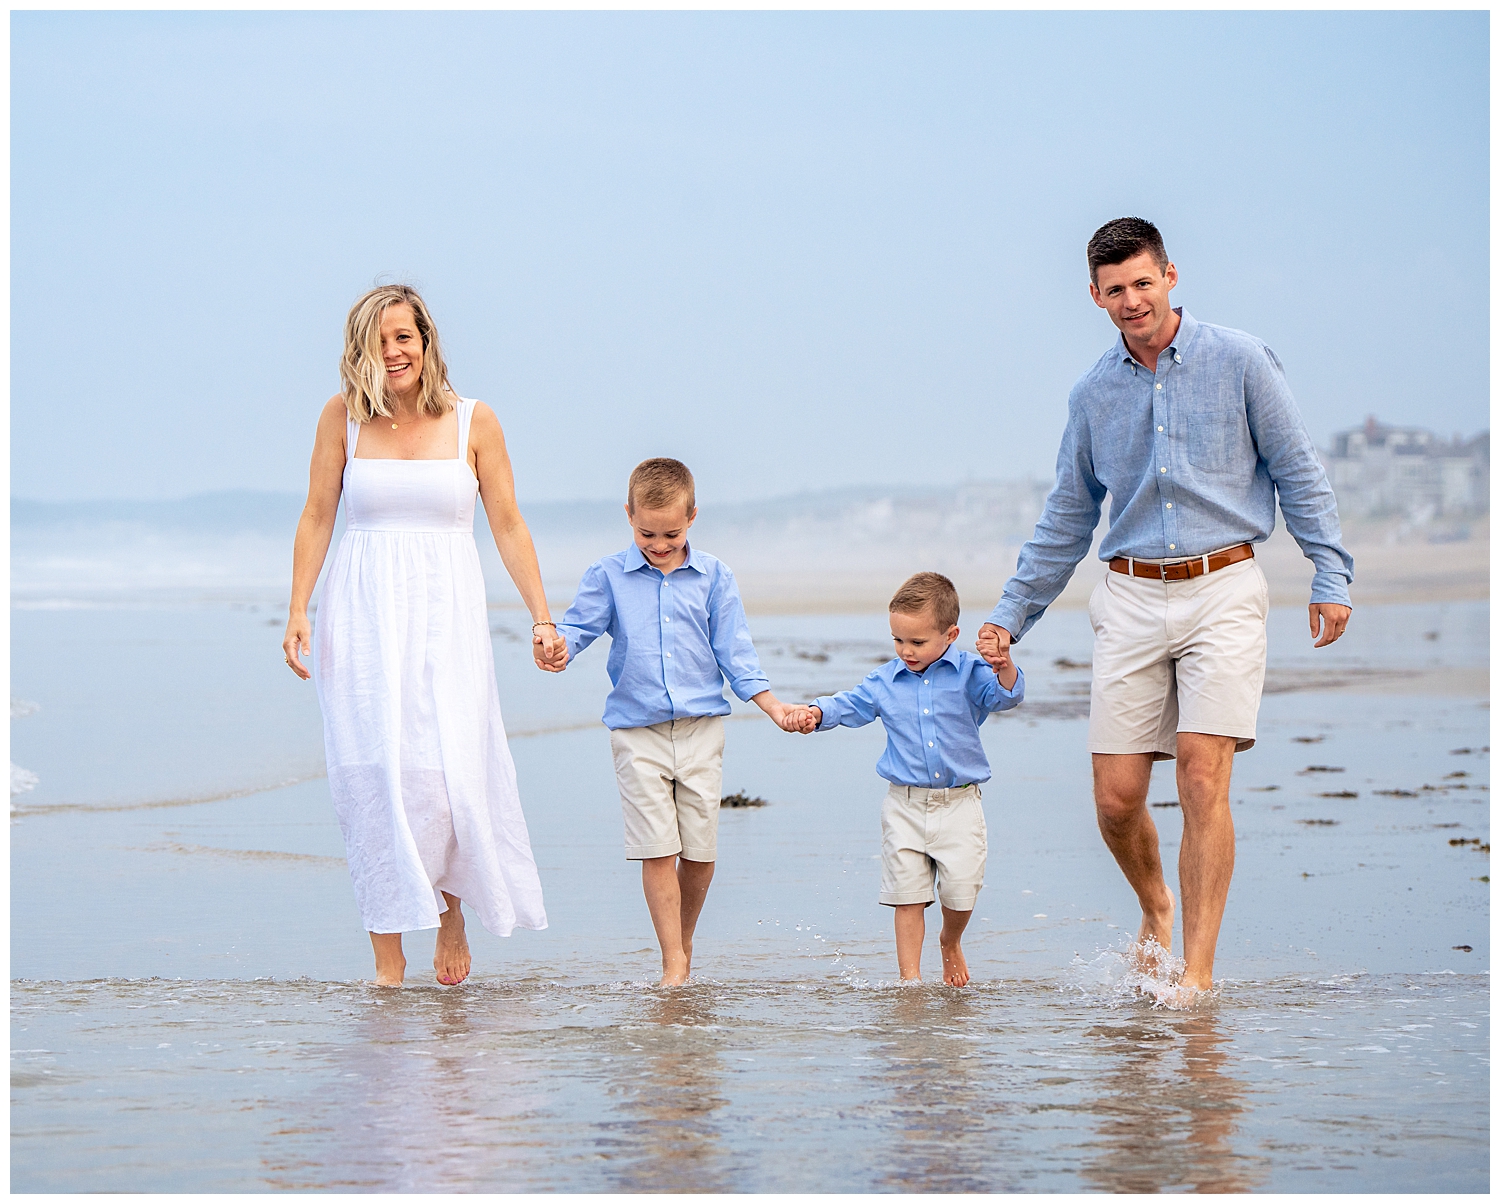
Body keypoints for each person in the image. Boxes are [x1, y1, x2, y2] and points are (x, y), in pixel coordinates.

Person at [975, 217, 1354, 1002]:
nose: (1131, 299)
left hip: (1224, 585)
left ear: (1170, 276)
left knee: (1200, 776)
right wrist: (1011, 615)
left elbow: (1296, 467)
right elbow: (1066, 518)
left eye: (1143, 282)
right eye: (1115, 289)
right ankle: (1155, 903)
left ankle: (1198, 974)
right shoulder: (1093, 393)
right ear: (1094, 296)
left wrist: (1330, 571)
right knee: (1115, 798)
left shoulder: (1240, 360)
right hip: (1131, 592)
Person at [282, 284, 567, 988]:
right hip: (364, 612)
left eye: (403, 337)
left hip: (448, 613)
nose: (393, 352)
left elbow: (506, 521)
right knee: (374, 775)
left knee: (444, 776)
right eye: (379, 341)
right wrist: (296, 609)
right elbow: (319, 514)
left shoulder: (476, 420)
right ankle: (386, 960)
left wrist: (540, 615)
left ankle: (449, 909)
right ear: (361, 351)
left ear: (427, 341)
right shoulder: (341, 417)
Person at [551, 458, 792, 986]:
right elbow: (577, 629)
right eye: (647, 533)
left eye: (671, 533)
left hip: (702, 729)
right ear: (629, 515)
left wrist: (772, 706)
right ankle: (673, 963)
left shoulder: (714, 577)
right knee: (658, 848)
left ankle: (682, 942)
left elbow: (736, 652)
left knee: (700, 853)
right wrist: (556, 648)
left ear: (692, 518)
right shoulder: (608, 575)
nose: (659, 544)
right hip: (637, 734)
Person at [782, 572, 1024, 986]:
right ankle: (909, 982)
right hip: (904, 806)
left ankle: (950, 941)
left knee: (960, 893)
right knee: (906, 898)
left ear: (950, 635)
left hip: (960, 804)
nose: (905, 651)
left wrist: (1005, 667)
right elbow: (850, 704)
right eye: (898, 641)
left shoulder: (970, 672)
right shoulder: (884, 680)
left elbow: (1006, 696)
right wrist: (816, 713)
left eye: (917, 642)